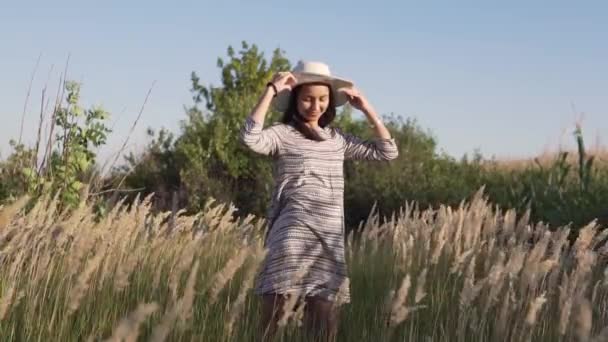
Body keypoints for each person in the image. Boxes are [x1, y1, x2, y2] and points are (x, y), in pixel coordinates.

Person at [239, 61, 399, 341]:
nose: (315, 105)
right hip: (290, 236)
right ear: (296, 100)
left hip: (328, 239)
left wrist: (367, 109)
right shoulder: (283, 134)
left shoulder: (337, 140)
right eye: (308, 99)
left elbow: (387, 152)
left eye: (322, 99)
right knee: (272, 325)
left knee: (325, 328)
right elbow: (250, 137)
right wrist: (271, 91)